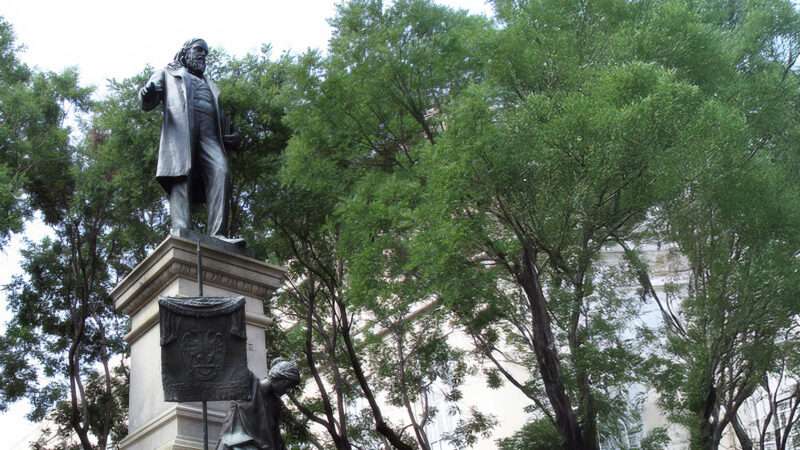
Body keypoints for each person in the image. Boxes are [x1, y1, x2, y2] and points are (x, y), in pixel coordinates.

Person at [139, 38, 241, 243]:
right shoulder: (168, 73)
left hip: (211, 135)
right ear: (185, 52)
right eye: (198, 49)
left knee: (221, 171)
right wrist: (147, 93)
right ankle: (182, 231)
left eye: (205, 52)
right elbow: (147, 101)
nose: (203, 54)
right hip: (182, 132)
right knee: (181, 175)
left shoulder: (211, 85)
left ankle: (218, 233)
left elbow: (221, 117)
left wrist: (232, 137)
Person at [216, 359, 301, 450]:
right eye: (288, 385)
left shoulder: (275, 404)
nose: (287, 390)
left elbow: (276, 437)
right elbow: (227, 360)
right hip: (236, 443)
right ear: (280, 378)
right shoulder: (248, 383)